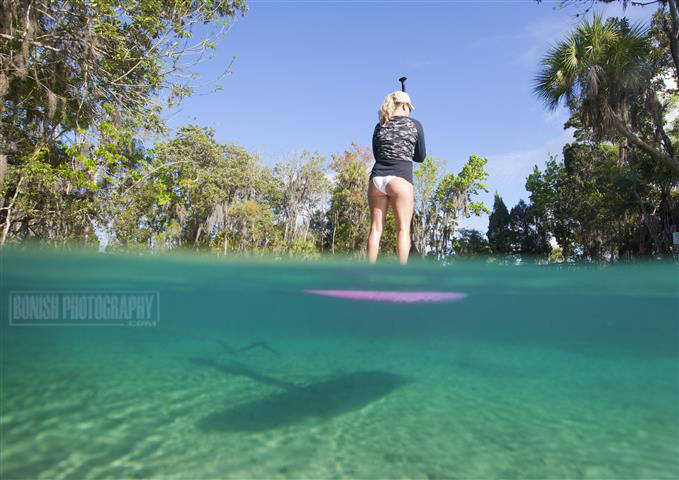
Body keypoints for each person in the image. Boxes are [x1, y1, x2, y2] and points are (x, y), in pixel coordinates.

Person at [367, 90, 426, 265]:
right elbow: (420, 156)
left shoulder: (380, 125)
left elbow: (377, 154)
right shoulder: (415, 124)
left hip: (377, 179)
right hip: (400, 178)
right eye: (409, 108)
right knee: (403, 230)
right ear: (405, 105)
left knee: (376, 229)